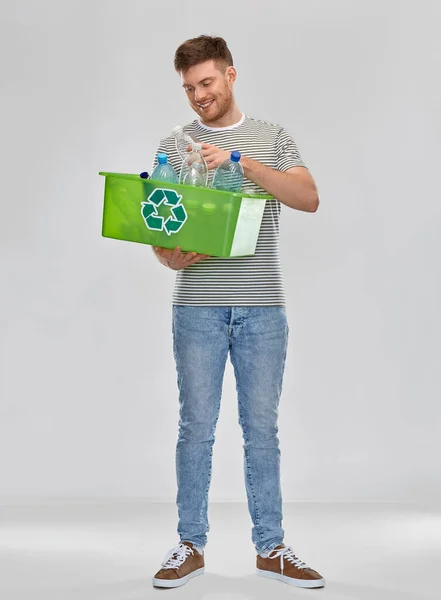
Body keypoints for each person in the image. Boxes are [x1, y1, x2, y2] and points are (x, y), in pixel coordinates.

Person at [150, 35, 324, 590]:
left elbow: (307, 196)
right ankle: (189, 545)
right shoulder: (175, 143)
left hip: (262, 308)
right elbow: (157, 223)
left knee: (261, 431)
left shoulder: (270, 137)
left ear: (230, 75)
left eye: (206, 83)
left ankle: (271, 548)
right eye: (189, 88)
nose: (198, 96)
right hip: (197, 308)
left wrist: (237, 160)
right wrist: (170, 255)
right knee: (195, 429)